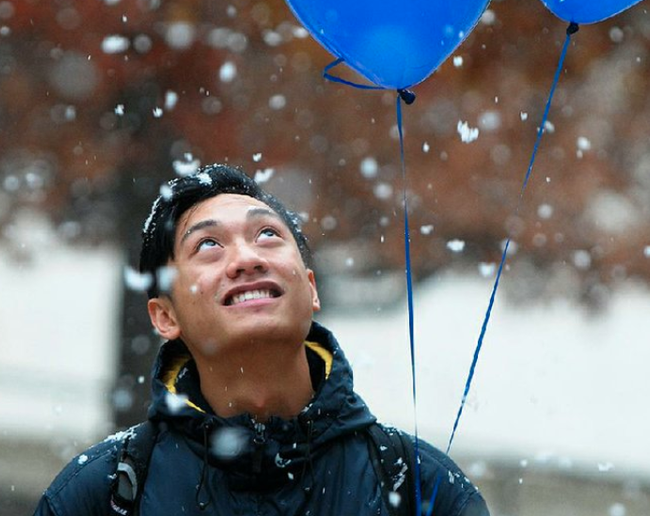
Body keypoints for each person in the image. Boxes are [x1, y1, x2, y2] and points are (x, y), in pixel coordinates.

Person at [33, 163, 489, 515]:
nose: (247, 258)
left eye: (268, 234)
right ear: (165, 316)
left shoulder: (419, 487)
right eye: (209, 245)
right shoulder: (103, 494)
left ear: (311, 288)